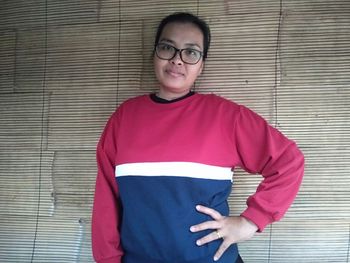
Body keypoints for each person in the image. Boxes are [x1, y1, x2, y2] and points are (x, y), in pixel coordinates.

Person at [92, 12, 304, 263]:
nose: (177, 60)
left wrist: (251, 221)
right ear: (154, 53)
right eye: (167, 47)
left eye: (191, 52)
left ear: (201, 64)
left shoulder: (227, 117)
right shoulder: (125, 117)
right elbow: (106, 199)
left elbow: (288, 161)